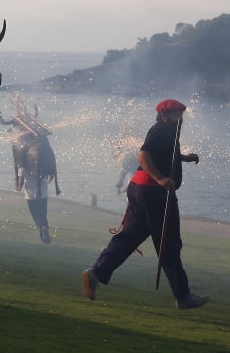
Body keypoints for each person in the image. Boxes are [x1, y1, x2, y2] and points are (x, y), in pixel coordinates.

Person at [81, 99, 209, 310]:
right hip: (154, 193)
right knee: (169, 243)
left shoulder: (168, 132)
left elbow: (164, 154)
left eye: (181, 115)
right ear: (165, 116)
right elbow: (143, 155)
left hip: (141, 190)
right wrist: (160, 179)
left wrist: (183, 158)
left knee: (129, 237)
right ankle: (183, 296)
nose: (181, 119)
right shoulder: (160, 130)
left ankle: (96, 272)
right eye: (177, 115)